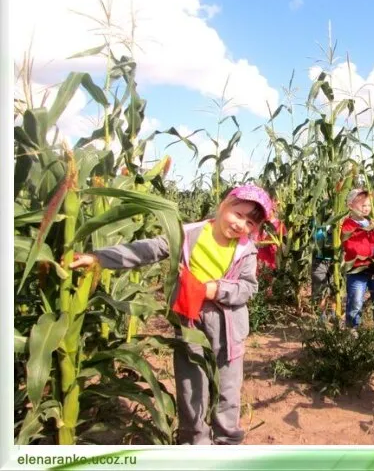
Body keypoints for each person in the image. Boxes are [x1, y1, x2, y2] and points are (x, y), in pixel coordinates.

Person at [69, 183, 272, 445]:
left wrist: (213, 289)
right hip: (191, 323)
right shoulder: (187, 234)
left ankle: (227, 445)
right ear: (224, 204)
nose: (240, 225)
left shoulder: (247, 250)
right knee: (192, 390)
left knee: (228, 393)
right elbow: (146, 250)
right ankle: (194, 445)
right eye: (238, 214)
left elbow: (247, 288)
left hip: (229, 330)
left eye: (250, 223)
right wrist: (98, 258)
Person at [340, 188, 374, 328]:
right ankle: (352, 328)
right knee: (355, 300)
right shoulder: (348, 225)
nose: (367, 208)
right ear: (350, 206)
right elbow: (352, 248)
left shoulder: (371, 223)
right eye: (363, 205)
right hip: (356, 270)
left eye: (368, 205)